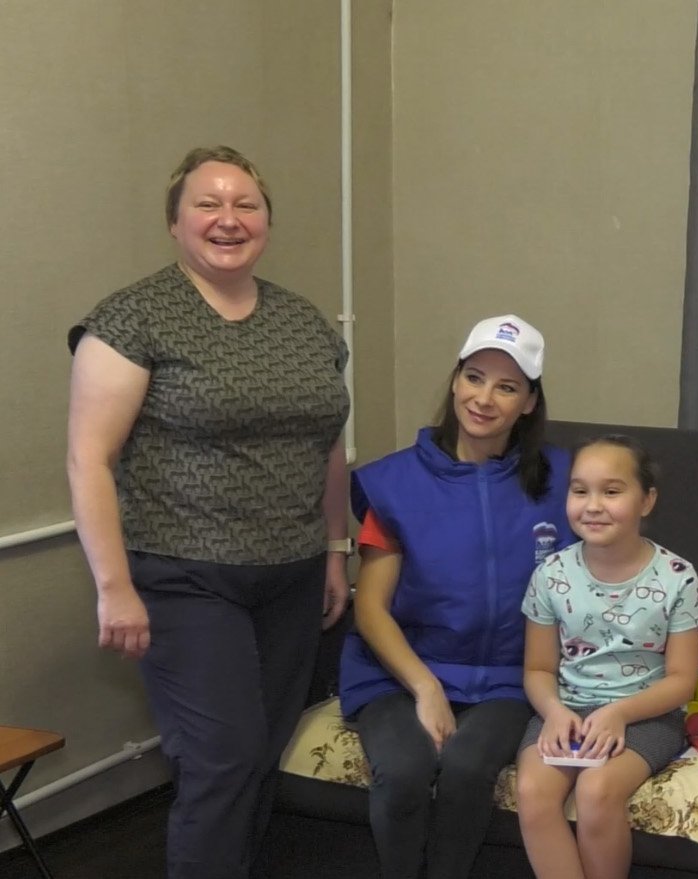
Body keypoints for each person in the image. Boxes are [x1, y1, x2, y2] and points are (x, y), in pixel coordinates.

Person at [65, 145, 351, 878]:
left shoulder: (303, 321)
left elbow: (326, 441)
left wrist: (334, 547)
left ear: (266, 221)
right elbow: (88, 459)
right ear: (175, 221)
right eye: (208, 203)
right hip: (185, 576)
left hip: (290, 577)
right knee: (221, 759)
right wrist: (113, 586)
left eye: (245, 204)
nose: (229, 218)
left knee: (259, 755)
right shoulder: (133, 319)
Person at [338, 315, 575, 878]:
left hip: (508, 678)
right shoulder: (395, 484)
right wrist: (425, 688)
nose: (484, 399)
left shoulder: (565, 481)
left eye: (507, 387)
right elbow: (370, 607)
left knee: (468, 770)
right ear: (454, 381)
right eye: (474, 377)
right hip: (399, 674)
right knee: (403, 771)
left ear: (529, 403)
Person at [514, 436, 698, 879]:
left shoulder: (677, 577)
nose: (593, 506)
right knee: (532, 790)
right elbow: (538, 668)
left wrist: (619, 713)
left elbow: (682, 679)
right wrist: (554, 712)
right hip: (566, 710)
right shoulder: (551, 574)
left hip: (647, 714)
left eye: (612, 491)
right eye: (580, 491)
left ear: (647, 501)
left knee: (597, 790)